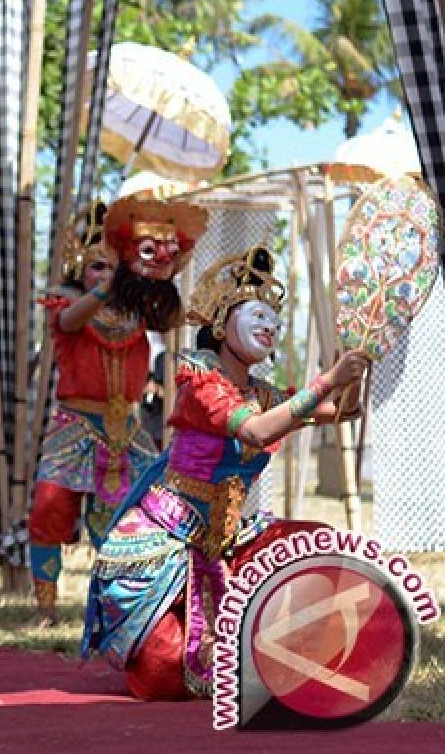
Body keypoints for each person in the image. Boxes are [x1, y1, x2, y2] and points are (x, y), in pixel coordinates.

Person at [81, 247, 369, 700]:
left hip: (224, 540)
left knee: (321, 544)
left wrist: (353, 375)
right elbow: (256, 431)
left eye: (274, 318)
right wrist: (327, 380)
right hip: (167, 545)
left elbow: (340, 413)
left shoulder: (260, 391)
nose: (269, 326)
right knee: (163, 675)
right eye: (258, 313)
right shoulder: (199, 380)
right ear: (219, 321)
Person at [28, 198, 206, 624]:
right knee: (49, 509)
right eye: (97, 267)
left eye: (112, 267)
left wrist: (168, 269)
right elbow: (71, 321)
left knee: (129, 516)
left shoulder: (139, 308)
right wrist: (114, 284)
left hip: (125, 427)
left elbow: (171, 320)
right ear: (81, 271)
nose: (105, 275)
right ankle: (46, 607)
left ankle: (122, 607)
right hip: (73, 425)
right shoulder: (67, 305)